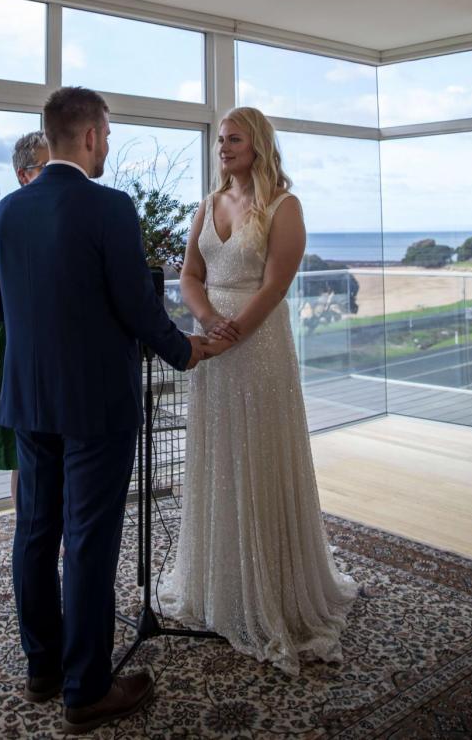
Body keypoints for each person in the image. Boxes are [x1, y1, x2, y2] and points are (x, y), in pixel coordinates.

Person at [0, 86, 210, 735]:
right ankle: (86, 689)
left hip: (27, 398)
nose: (107, 144)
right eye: (106, 133)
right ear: (87, 135)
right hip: (98, 404)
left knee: (35, 530)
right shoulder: (110, 207)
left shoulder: (5, 212)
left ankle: (43, 668)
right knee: (87, 541)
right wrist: (184, 351)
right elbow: (138, 307)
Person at [160, 106, 358, 676]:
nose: (223, 147)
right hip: (212, 348)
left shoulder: (282, 206)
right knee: (219, 459)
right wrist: (207, 323)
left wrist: (233, 332)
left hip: (259, 349)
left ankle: (271, 590)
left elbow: (276, 284)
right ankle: (218, 586)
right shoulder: (208, 203)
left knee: (258, 458)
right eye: (220, 138)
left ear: (258, 144)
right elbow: (189, 274)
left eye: (234, 138)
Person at [0, 130, 49, 506]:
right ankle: (28, 530)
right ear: (23, 174)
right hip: (15, 347)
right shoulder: (2, 223)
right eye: (46, 167)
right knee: (25, 454)